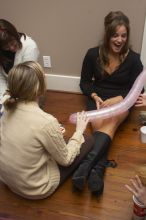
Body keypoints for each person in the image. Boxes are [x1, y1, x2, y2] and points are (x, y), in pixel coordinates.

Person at [72, 11, 143, 196]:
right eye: (115, 35)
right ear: (107, 34)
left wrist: (119, 99)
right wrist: (94, 96)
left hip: (122, 101)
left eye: (123, 35)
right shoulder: (92, 54)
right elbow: (85, 83)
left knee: (110, 122)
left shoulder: (134, 59)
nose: (119, 40)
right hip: (99, 100)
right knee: (103, 125)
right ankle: (98, 170)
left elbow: (138, 89)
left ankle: (85, 167)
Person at [0, 61, 94, 200]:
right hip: (35, 188)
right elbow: (66, 160)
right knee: (88, 140)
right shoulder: (46, 122)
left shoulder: (6, 106)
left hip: (7, 181)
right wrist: (79, 131)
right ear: (39, 87)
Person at [0, 19, 39, 104]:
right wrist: (4, 96)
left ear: (15, 34)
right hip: (8, 89)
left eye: (13, 43)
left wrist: (13, 96)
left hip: (26, 87)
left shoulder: (30, 47)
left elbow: (27, 79)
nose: (11, 48)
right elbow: (1, 77)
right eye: (6, 47)